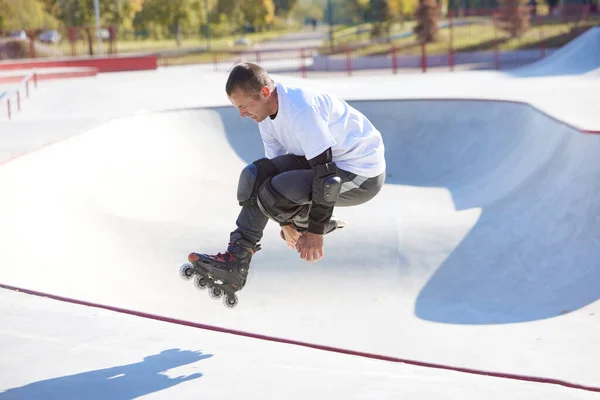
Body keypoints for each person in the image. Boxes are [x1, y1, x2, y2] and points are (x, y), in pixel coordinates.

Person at [188, 62, 386, 294]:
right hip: (326, 166)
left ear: (264, 93)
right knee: (255, 177)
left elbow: (328, 178)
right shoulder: (265, 115)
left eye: (243, 106)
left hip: (361, 173)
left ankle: (307, 222)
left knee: (279, 190)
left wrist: (315, 232)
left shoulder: (301, 110)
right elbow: (269, 176)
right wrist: (285, 222)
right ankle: (236, 262)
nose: (242, 115)